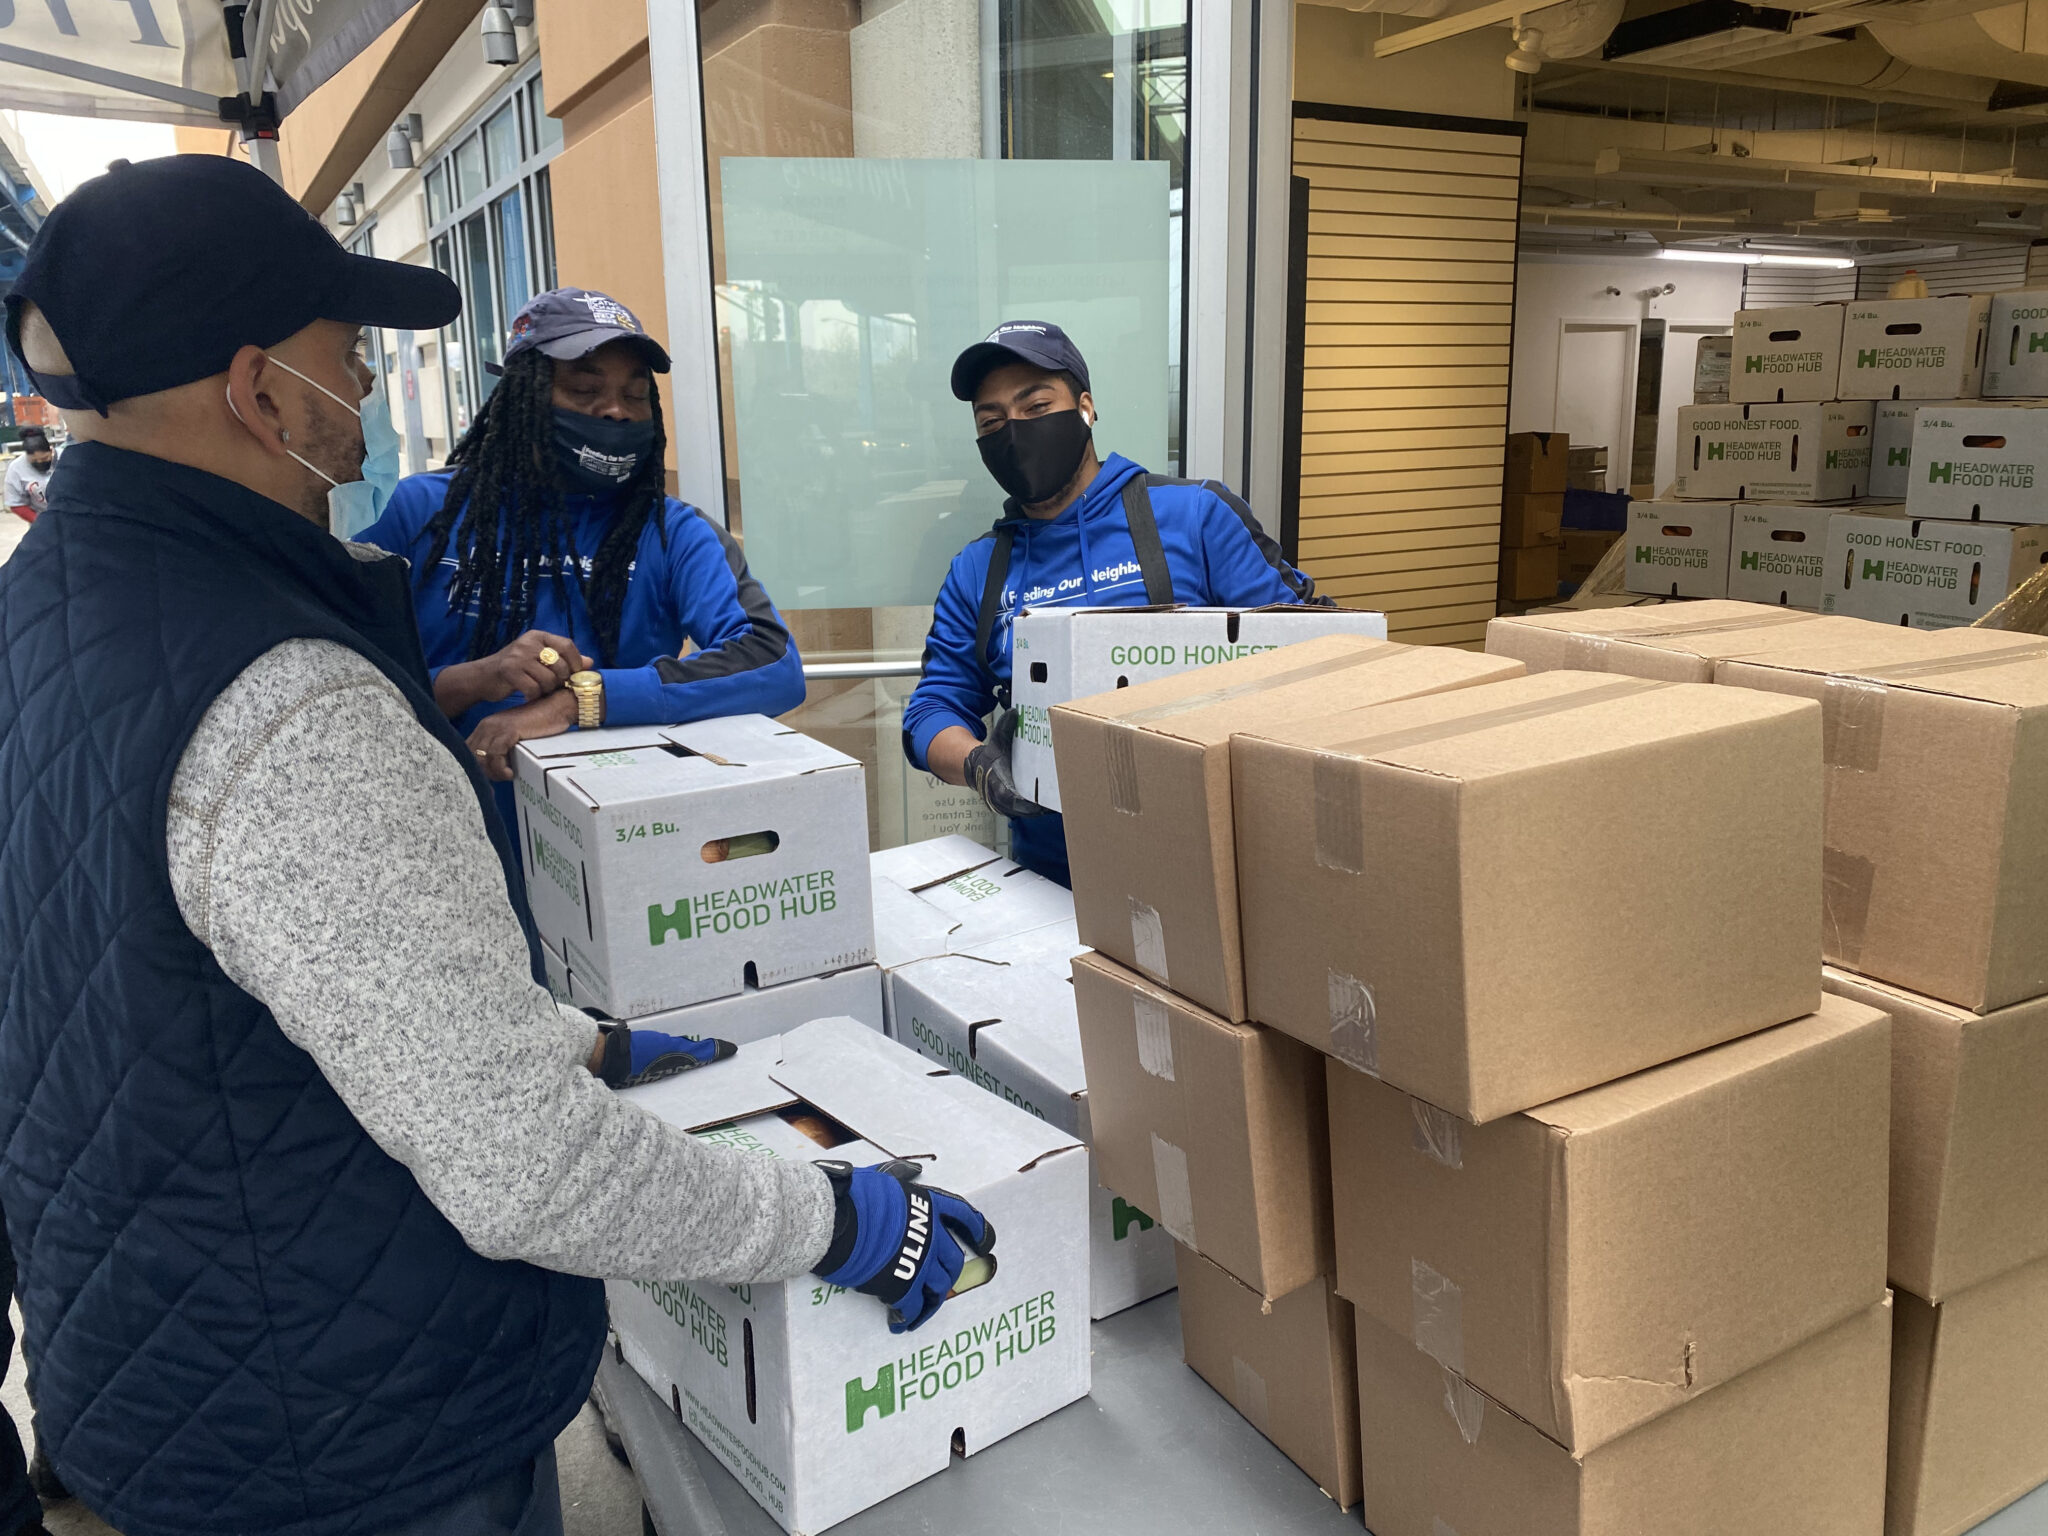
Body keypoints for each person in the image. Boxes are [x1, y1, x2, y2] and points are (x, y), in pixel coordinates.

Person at [0, 155, 987, 1536]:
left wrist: (554, 1027)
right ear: (256, 390)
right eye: (343, 347)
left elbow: (184, 976)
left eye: (629, 388)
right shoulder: (298, 677)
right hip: (355, 1437)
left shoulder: (40, 612)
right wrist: (837, 1222)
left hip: (181, 1357)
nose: (361, 383)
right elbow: (530, 1169)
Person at [362, 287, 804, 833]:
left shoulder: (675, 533)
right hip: (433, 830)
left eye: (635, 396)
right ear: (520, 397)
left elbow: (773, 664)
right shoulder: (421, 511)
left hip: (611, 837)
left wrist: (579, 701)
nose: (615, 411)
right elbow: (346, 677)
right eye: (585, 389)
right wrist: (476, 679)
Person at [902, 320, 1321, 886]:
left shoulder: (1194, 516)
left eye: (1035, 405)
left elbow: (1314, 651)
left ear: (1085, 407)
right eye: (992, 420)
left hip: (1221, 864)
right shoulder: (977, 571)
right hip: (1055, 879)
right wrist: (979, 767)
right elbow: (932, 712)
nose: (1015, 430)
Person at [3, 429, 54, 522]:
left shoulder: (65, 457)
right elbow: (15, 504)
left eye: (44, 458)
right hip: (43, 519)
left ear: (51, 450)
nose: (40, 462)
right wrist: (40, 522)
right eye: (34, 461)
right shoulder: (16, 468)